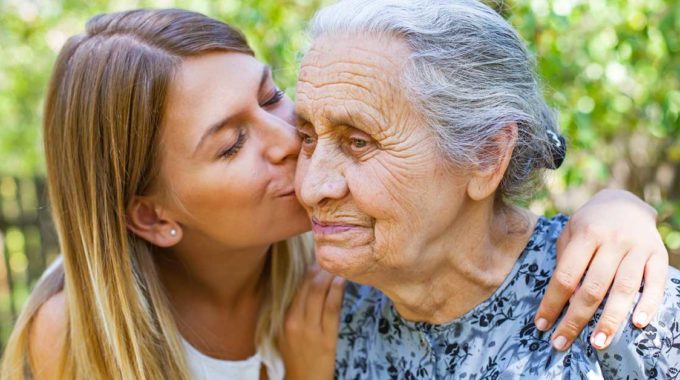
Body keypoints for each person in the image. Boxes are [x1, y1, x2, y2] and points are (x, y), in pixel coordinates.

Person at [0, 8, 669, 380]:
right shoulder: (82, 338)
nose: (295, 145)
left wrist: (618, 209)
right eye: (231, 145)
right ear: (151, 216)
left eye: (271, 97)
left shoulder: (346, 263)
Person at [293, 0, 679, 378]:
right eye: (307, 137)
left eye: (358, 142)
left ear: (486, 156)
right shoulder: (318, 314)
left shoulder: (624, 306)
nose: (311, 188)